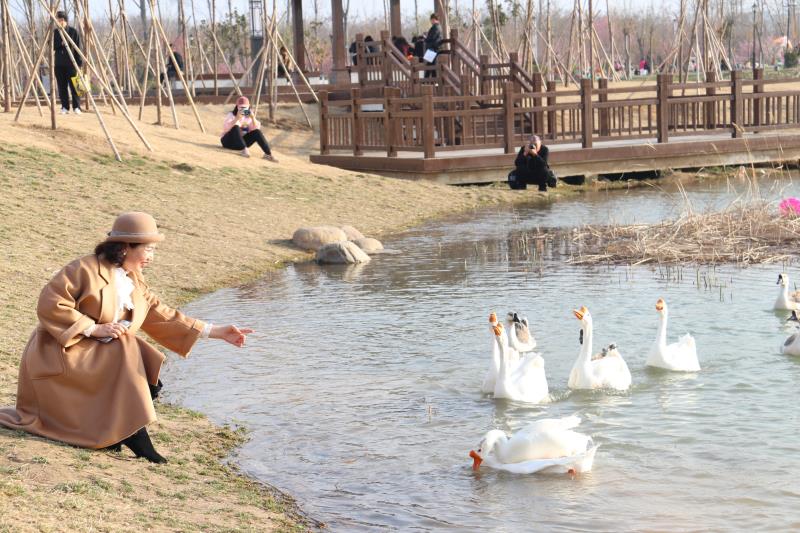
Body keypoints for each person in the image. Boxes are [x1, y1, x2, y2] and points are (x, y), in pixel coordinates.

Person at [0, 212, 254, 463]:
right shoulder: (83, 269)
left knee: (140, 363)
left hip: (97, 351)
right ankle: (133, 434)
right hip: (64, 352)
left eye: (153, 250)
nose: (152, 257)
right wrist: (93, 328)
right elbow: (51, 304)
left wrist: (216, 331)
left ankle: (119, 432)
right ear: (124, 247)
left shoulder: (132, 278)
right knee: (128, 349)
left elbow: (159, 312)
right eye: (148, 250)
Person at [220, 96, 278, 162]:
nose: (243, 110)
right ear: (237, 107)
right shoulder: (231, 115)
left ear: (248, 107)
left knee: (257, 132)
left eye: (245, 108)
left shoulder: (249, 116)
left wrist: (253, 118)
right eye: (241, 108)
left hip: (240, 144)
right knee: (236, 127)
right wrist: (236, 118)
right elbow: (226, 128)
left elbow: (256, 129)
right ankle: (244, 150)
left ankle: (268, 154)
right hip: (228, 142)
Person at [53, 11, 82, 115]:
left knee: (75, 87)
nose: (59, 22)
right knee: (62, 87)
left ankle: (76, 107)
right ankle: (65, 107)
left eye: (61, 20)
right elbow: (52, 46)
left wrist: (79, 64)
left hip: (72, 64)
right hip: (59, 64)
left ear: (65, 20)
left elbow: (78, 47)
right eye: (58, 20)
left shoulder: (73, 32)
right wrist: (61, 43)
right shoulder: (55, 32)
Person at [424, 14, 443, 78]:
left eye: (431, 20)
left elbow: (432, 37)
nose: (431, 21)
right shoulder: (437, 27)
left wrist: (426, 38)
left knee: (429, 65)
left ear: (433, 19)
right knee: (431, 64)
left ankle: (426, 80)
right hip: (434, 47)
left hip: (433, 47)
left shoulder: (436, 27)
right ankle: (433, 80)